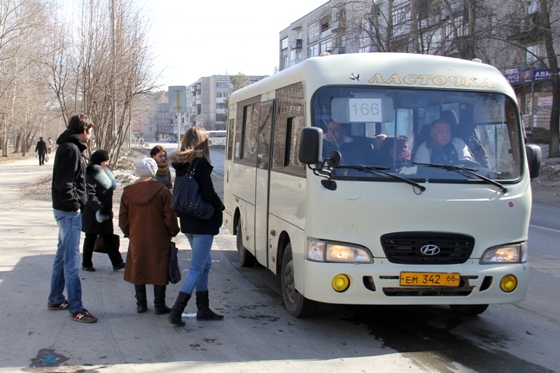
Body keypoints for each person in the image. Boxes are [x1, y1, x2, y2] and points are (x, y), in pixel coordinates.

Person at [167, 127, 225, 327]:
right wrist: (220, 206)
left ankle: (203, 309)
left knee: (205, 265)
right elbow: (208, 193)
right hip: (202, 221)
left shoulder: (180, 164)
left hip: (187, 220)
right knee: (197, 267)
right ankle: (177, 310)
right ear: (202, 142)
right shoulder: (199, 163)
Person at [48, 113, 97, 323]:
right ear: (84, 130)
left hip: (65, 210)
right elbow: (64, 183)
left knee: (62, 255)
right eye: (90, 131)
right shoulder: (70, 149)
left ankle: (56, 298)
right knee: (71, 260)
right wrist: (75, 205)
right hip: (68, 213)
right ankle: (76, 307)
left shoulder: (70, 147)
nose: (91, 135)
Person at [119, 158, 180, 314]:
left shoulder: (127, 193)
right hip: (159, 237)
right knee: (159, 268)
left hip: (137, 237)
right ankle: (159, 305)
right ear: (153, 171)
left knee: (138, 267)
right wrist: (172, 232)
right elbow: (170, 217)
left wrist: (129, 233)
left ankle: (141, 304)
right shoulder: (163, 191)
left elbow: (123, 219)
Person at [81, 150, 125, 272]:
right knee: (90, 238)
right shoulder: (91, 173)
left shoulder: (105, 172)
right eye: (106, 160)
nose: (107, 163)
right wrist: (100, 209)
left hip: (105, 210)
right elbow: (90, 195)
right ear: (100, 162)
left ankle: (117, 262)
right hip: (93, 212)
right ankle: (86, 263)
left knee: (108, 237)